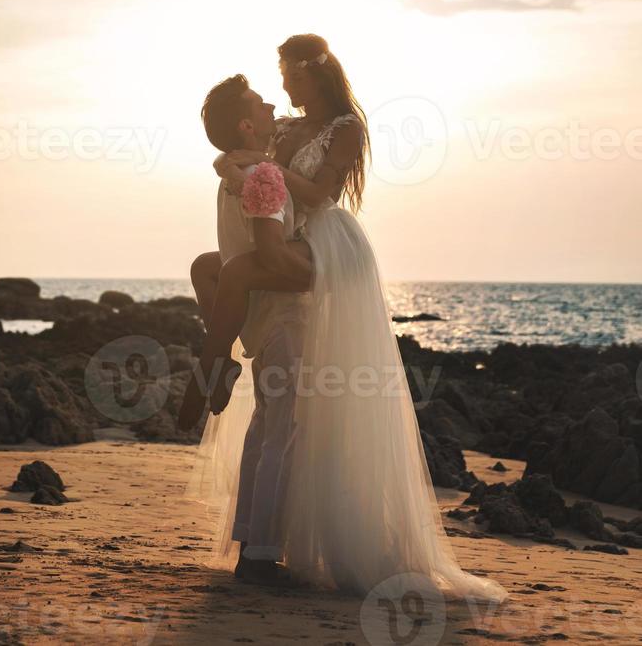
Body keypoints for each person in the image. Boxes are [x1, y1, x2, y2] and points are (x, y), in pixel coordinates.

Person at [188, 34, 508, 605]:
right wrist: (240, 163)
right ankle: (256, 548)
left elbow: (319, 188)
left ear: (311, 76)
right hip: (284, 241)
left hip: (325, 249)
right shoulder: (279, 129)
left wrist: (262, 169)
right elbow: (240, 154)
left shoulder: (345, 129)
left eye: (288, 76)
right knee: (274, 414)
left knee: (282, 411)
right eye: (278, 79)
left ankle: (215, 369)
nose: (282, 89)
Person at [182, 74, 313, 586]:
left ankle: (249, 542)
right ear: (245, 122)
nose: (272, 105)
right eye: (261, 104)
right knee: (283, 430)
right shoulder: (263, 177)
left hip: (257, 317)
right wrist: (327, 268)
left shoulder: (234, 175)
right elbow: (272, 257)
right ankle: (259, 556)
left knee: (265, 428)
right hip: (285, 313)